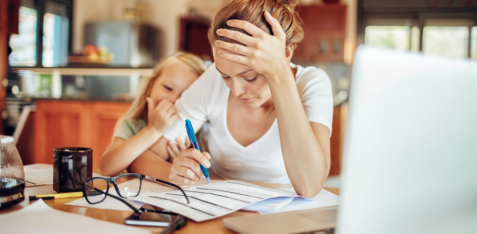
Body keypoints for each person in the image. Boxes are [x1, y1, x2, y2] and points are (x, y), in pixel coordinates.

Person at [129, 0, 333, 198]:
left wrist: (280, 75)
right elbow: (143, 157)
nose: (236, 91)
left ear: (286, 53)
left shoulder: (311, 83)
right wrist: (173, 172)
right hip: (216, 209)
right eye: (226, 76)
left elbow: (310, 185)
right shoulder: (213, 80)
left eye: (250, 77)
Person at [100, 52, 206, 176]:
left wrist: (178, 163)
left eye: (184, 96)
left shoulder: (197, 132)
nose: (174, 99)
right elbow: (106, 167)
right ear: (151, 86)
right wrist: (153, 130)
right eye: (168, 88)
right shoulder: (132, 124)